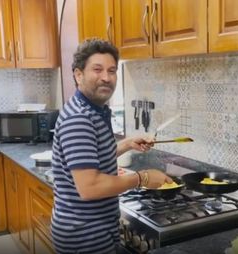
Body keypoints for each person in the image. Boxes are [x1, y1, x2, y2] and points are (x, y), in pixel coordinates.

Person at [51, 38, 172, 254]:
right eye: (97, 70)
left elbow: (91, 157)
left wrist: (126, 144)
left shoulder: (93, 110)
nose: (106, 78)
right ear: (79, 75)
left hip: (91, 230)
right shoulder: (79, 118)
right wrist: (142, 178)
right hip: (85, 236)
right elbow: (90, 187)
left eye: (112, 70)